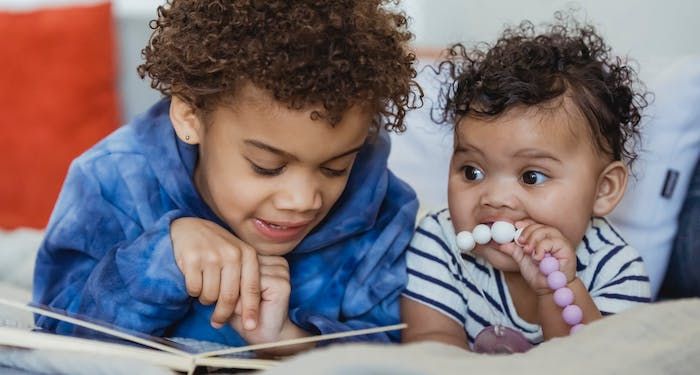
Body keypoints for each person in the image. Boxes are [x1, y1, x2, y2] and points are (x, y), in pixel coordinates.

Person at [32, 0, 422, 353]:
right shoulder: (112, 180)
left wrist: (289, 341)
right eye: (267, 166)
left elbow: (402, 350)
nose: (304, 200)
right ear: (190, 117)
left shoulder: (382, 210)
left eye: (335, 168)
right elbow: (54, 336)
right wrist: (159, 260)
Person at [401, 13, 651, 351]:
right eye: (472, 172)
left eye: (531, 177)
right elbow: (430, 346)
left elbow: (600, 363)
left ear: (603, 189)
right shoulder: (440, 242)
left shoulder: (616, 268)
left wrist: (556, 287)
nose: (495, 198)